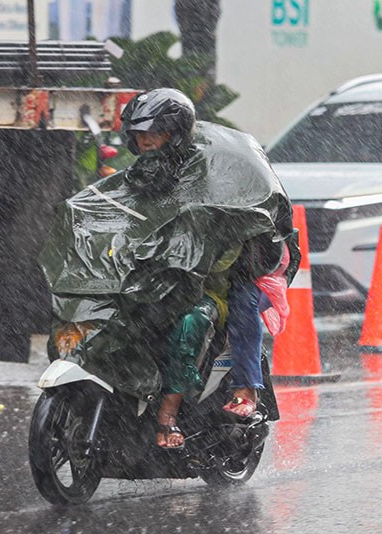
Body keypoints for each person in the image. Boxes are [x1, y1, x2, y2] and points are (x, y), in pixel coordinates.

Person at [120, 88, 296, 449]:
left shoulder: (215, 174)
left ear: (176, 134)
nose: (146, 141)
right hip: (160, 278)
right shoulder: (139, 178)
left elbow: (245, 229)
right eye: (139, 134)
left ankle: (180, 409)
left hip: (215, 282)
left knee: (197, 320)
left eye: (155, 133)